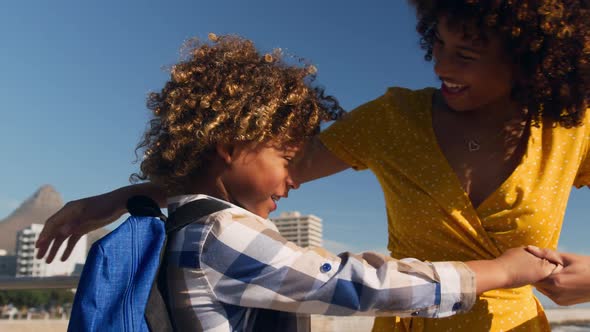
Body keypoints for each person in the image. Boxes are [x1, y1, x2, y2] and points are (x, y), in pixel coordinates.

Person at [36, 0, 590, 330]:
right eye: (438, 43)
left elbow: (252, 160)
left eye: (465, 54)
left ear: (529, 57)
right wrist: (118, 198)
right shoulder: (393, 118)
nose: (440, 65)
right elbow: (260, 166)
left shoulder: (573, 131)